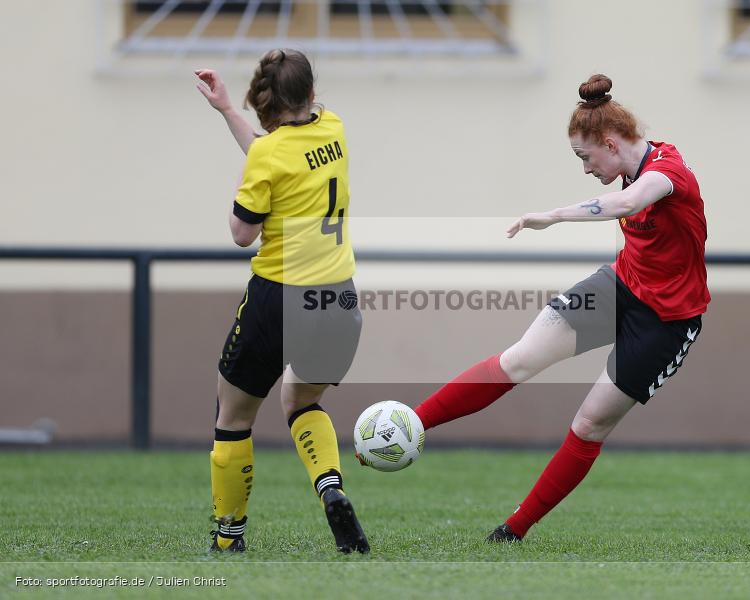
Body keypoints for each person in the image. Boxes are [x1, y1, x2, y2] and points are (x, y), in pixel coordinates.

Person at [410, 74, 710, 542]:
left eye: (585, 157)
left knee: (590, 424)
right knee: (519, 359)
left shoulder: (667, 171)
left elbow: (628, 202)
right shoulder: (627, 166)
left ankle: (514, 529)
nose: (586, 169)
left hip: (667, 321)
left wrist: (552, 216)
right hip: (619, 285)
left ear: (610, 143)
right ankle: (411, 425)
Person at [195, 49, 368, 554]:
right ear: (312, 95)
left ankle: (229, 538)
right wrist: (229, 112)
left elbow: (241, 233)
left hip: (279, 298)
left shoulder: (268, 156)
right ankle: (330, 488)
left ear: (264, 100)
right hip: (338, 298)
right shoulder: (333, 127)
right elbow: (275, 154)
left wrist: (245, 188)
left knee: (233, 414)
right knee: (303, 401)